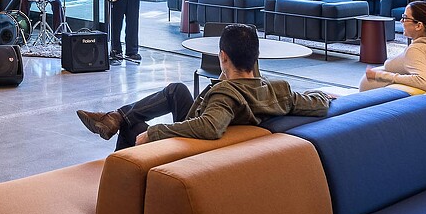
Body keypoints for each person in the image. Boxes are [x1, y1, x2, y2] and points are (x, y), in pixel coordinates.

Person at [77, 24, 332, 151]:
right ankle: (115, 117)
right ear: (256, 58)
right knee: (176, 90)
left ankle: (120, 172)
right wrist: (323, 94)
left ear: (223, 56)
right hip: (211, 112)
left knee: (133, 126)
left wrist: (156, 133)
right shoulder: (280, 91)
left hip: (193, 144)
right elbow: (318, 103)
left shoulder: (226, 94)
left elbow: (210, 126)